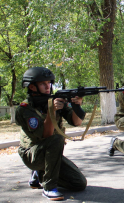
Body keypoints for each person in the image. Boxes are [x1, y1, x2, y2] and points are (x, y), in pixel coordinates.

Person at [16, 67, 87, 201]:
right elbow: (46, 135)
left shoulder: (55, 100)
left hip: (50, 156)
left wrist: (77, 104)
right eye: (43, 83)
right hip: (31, 155)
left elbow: (76, 122)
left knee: (79, 183)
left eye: (49, 83)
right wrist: (51, 110)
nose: (48, 86)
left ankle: (40, 173)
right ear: (32, 86)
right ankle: (49, 187)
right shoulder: (25, 109)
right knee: (56, 139)